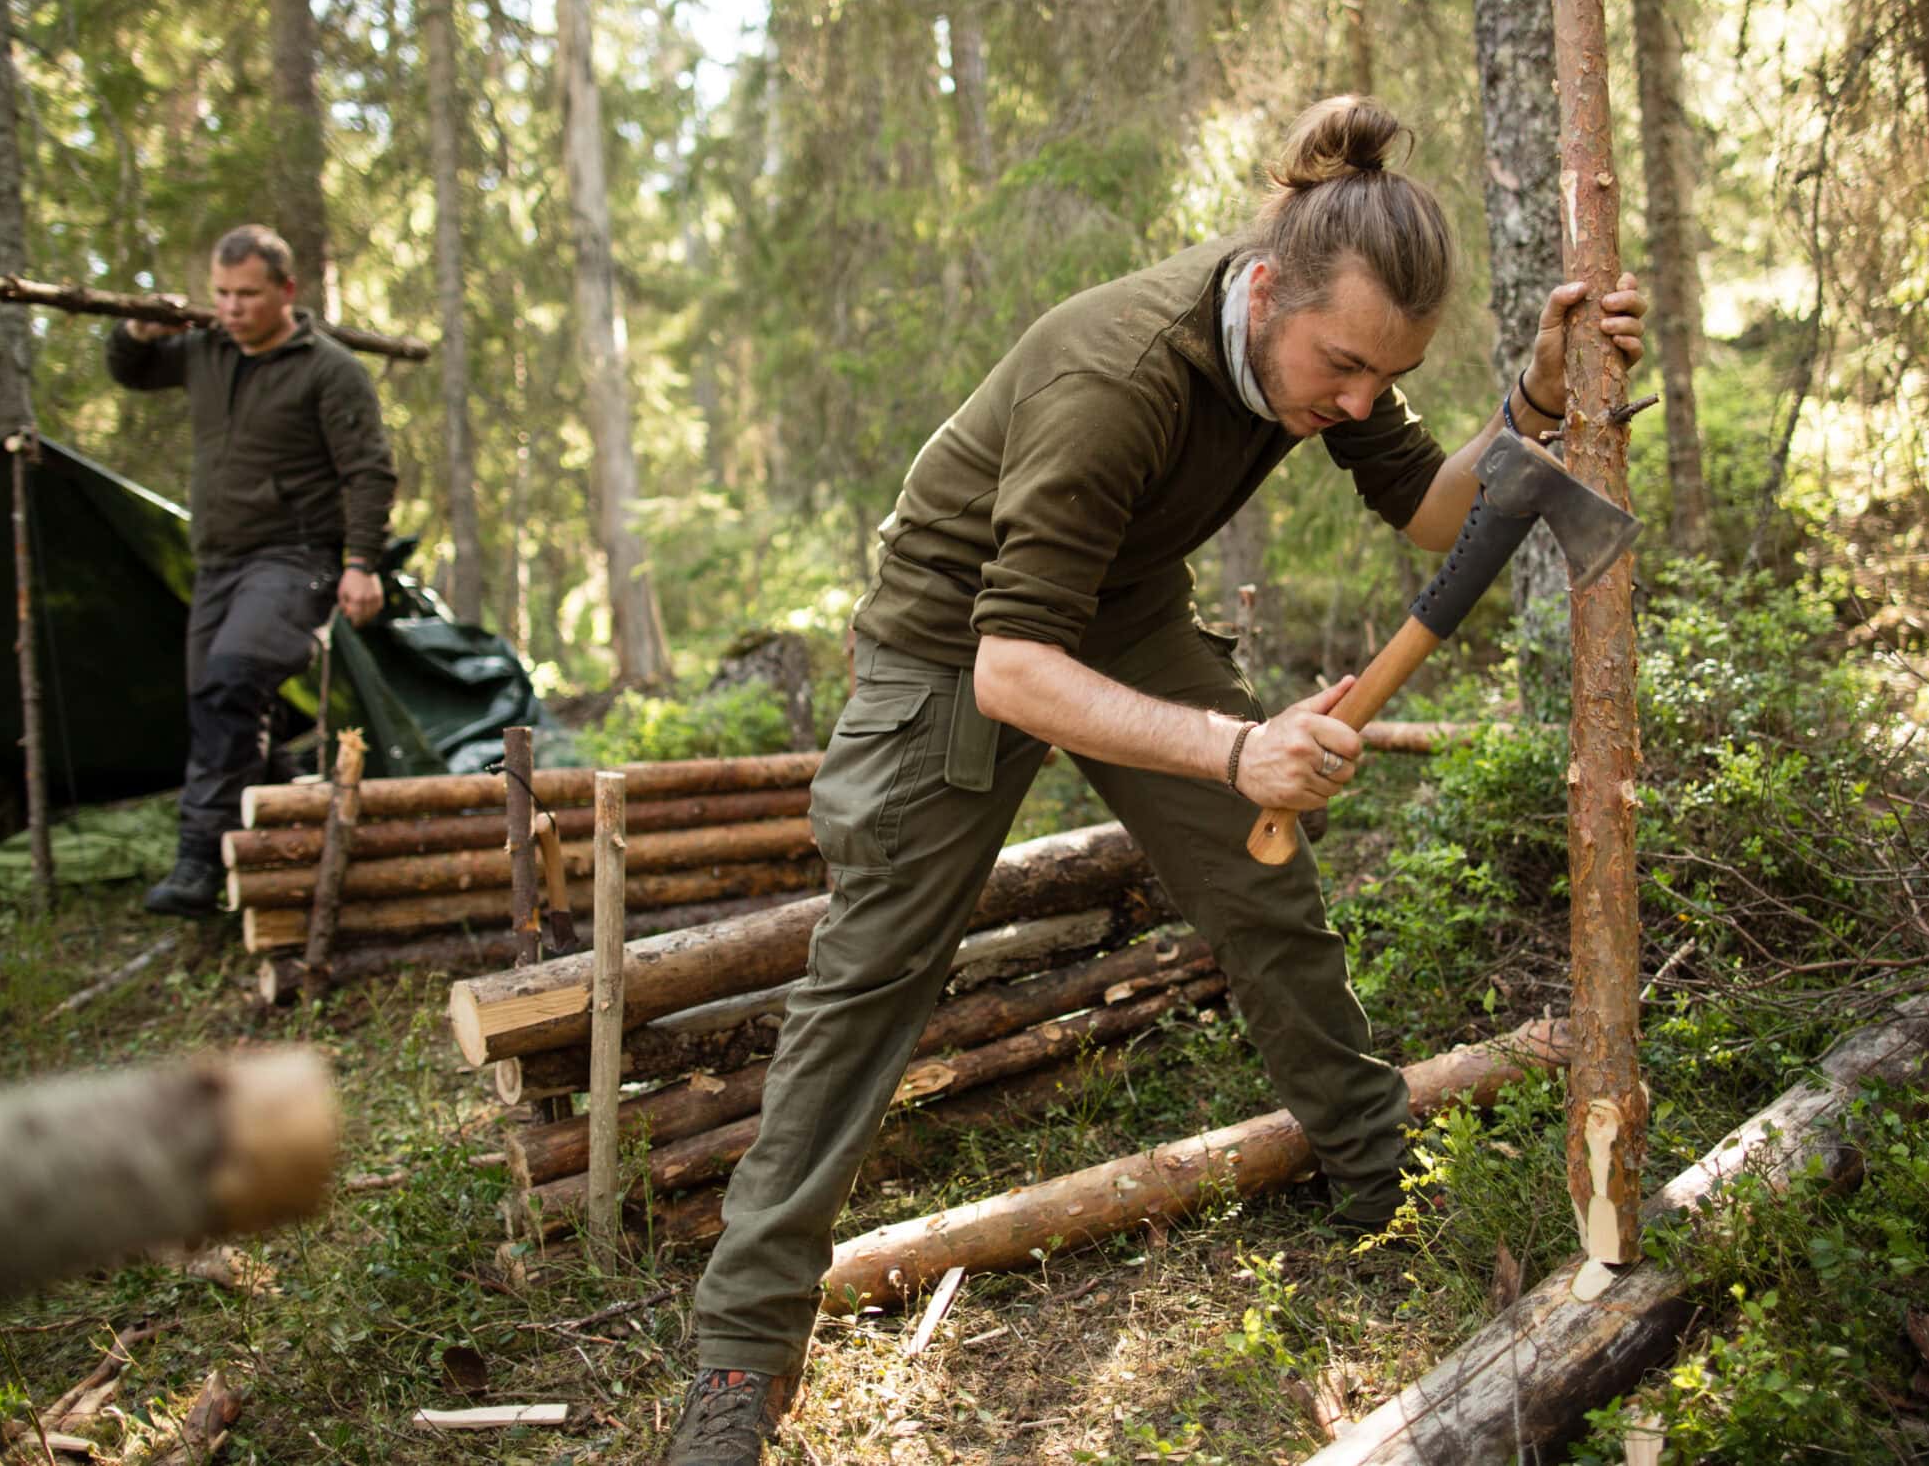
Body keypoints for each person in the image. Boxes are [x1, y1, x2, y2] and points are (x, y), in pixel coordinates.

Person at [660, 97, 1645, 1464]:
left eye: (1384, 375)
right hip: (957, 641)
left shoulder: (1322, 342)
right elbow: (1011, 669)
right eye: (1345, 367)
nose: (1356, 402)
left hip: (1121, 607)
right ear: (1261, 289)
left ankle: (1379, 1181)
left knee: (1267, 876)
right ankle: (737, 1358)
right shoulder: (1117, 376)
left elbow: (1433, 505)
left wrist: (1533, 395)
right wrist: (1240, 742)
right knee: (874, 969)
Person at [111, 225, 398, 916]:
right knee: (221, 705)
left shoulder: (328, 369)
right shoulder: (206, 349)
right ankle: (285, 837)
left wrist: (361, 563)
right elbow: (134, 371)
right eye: (221, 293)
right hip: (217, 562)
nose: (231, 307)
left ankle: (199, 861)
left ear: (286, 292)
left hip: (297, 558)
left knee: (231, 685)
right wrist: (136, 332)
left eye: (246, 294)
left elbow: (369, 471)